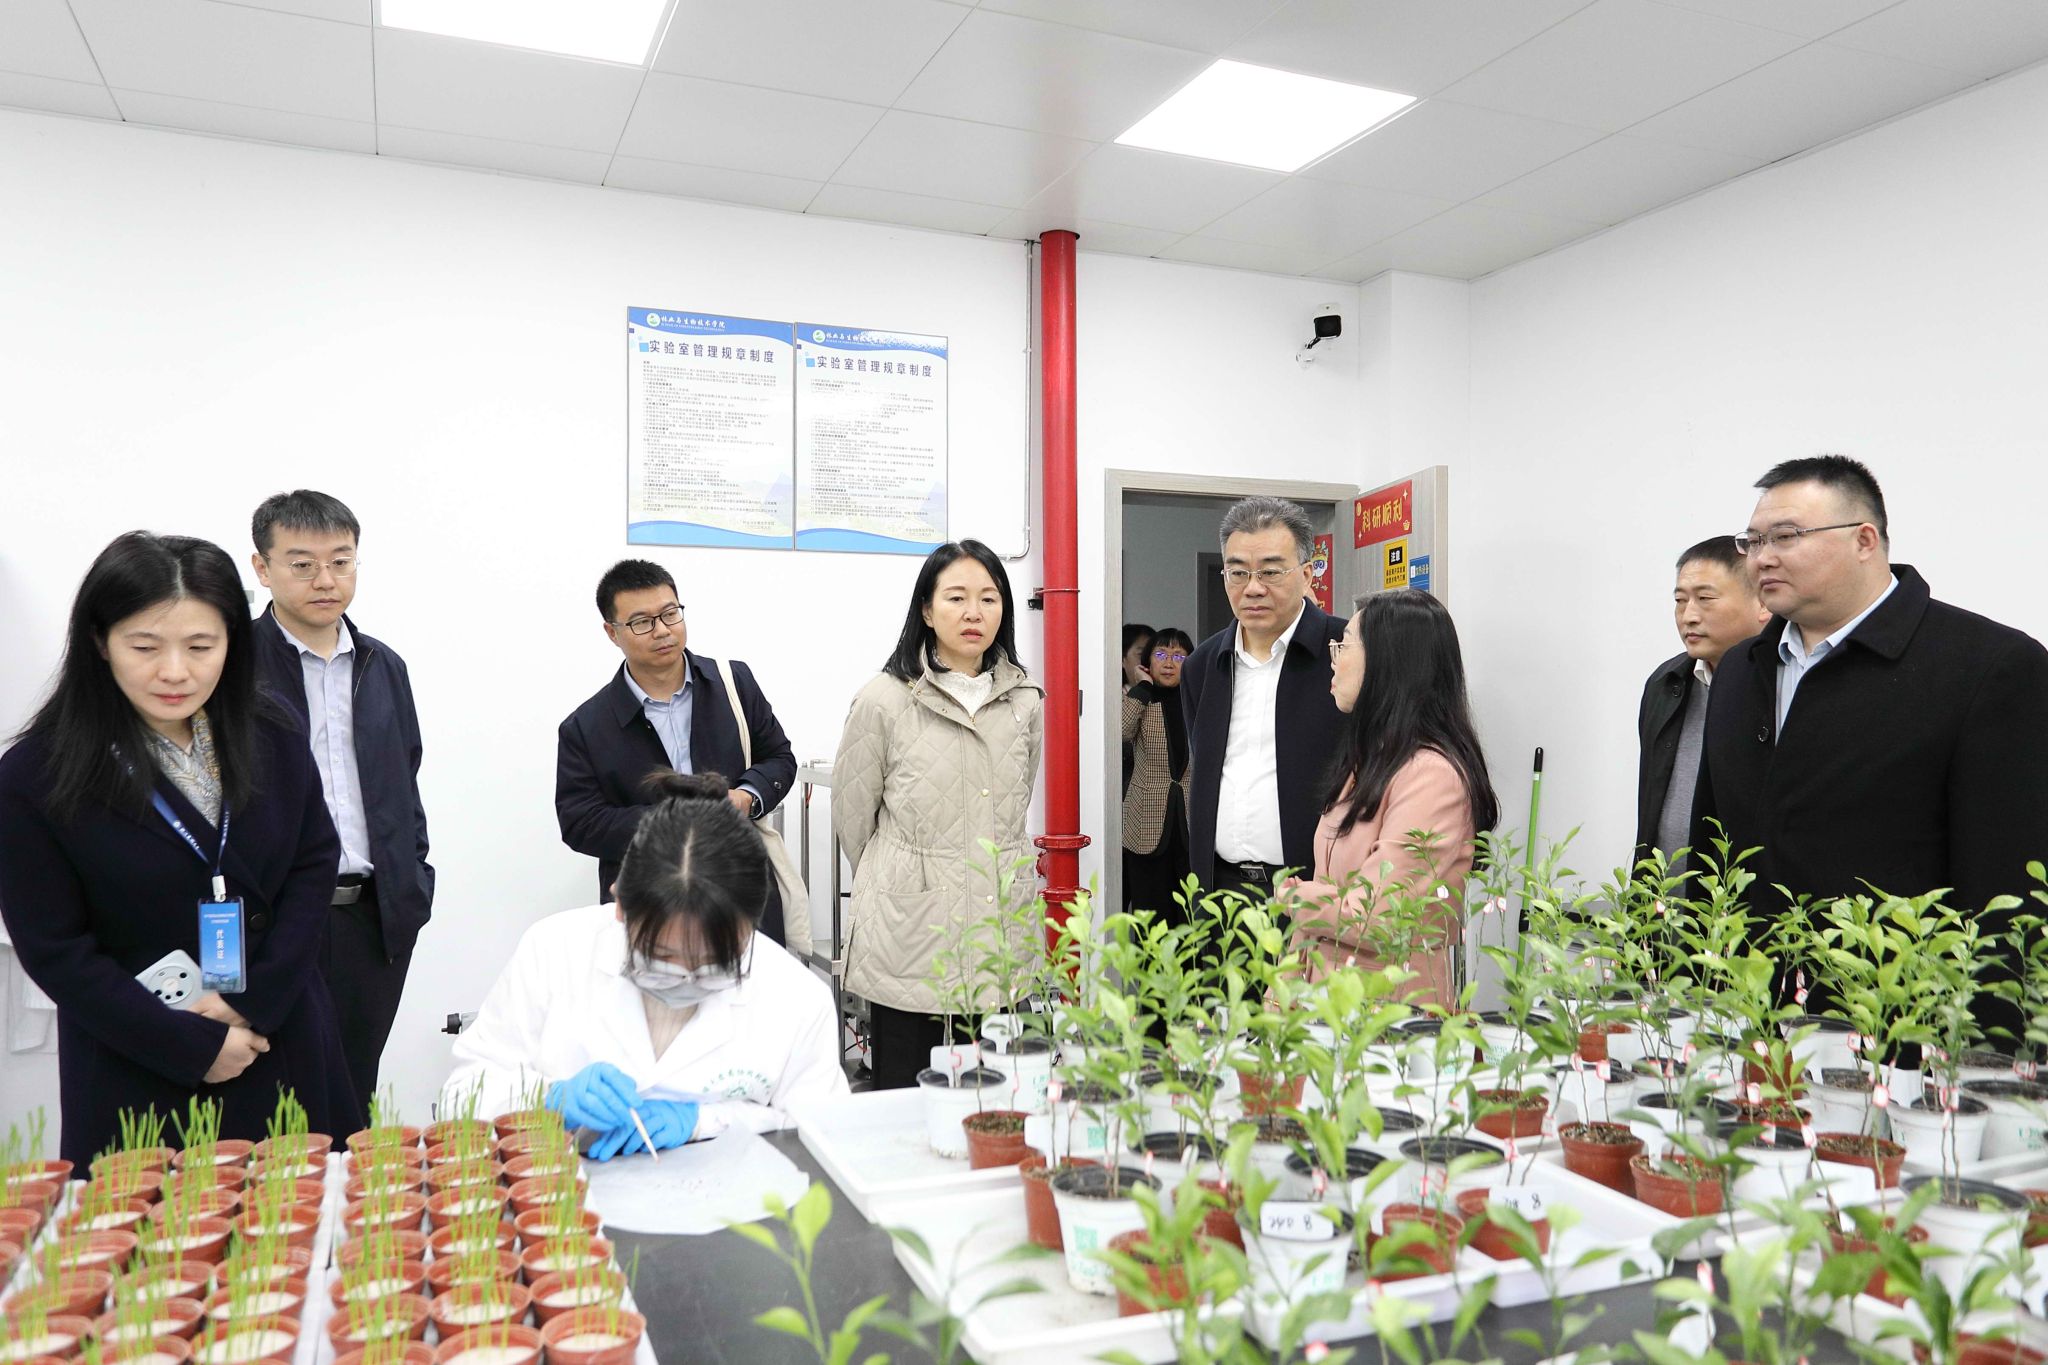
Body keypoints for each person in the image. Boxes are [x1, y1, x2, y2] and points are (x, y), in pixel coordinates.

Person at [0, 533, 361, 1163]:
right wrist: (191, 1044)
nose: (175, 671)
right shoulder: (36, 776)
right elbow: (56, 949)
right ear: (100, 642)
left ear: (232, 642)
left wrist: (251, 1004)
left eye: (200, 646)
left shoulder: (270, 728)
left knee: (313, 1212)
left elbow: (312, 863)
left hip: (280, 1033)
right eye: (144, 646)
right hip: (141, 1061)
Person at [1696, 455, 2048, 1028]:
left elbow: (2008, 883)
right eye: (1753, 541)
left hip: (1904, 1024)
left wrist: (1984, 1041)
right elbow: (1713, 842)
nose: (1762, 557)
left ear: (1864, 540)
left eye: (1786, 536)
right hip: (1752, 1011)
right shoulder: (1741, 668)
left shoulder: (1989, 666)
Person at [446, 772, 847, 1152]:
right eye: (663, 957)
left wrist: (705, 1121)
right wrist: (548, 1098)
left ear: (750, 926)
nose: (686, 978)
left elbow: (826, 1130)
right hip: (569, 1189)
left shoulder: (796, 997)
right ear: (621, 903)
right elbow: (461, 1096)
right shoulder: (553, 951)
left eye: (713, 963)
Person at [833, 540, 1043, 1090]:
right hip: (912, 929)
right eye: (956, 598)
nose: (974, 613)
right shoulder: (883, 699)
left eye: (989, 599)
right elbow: (854, 819)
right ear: (926, 610)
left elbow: (1015, 800)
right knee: (907, 1091)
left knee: (996, 1094)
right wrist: (905, 874)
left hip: (999, 918)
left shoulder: (1024, 700)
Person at [248, 490, 432, 1103]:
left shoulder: (383, 665)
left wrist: (412, 885)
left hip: (370, 920)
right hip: (274, 921)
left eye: (340, 561)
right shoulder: (234, 665)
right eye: (302, 564)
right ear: (263, 567)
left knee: (354, 1096)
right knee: (273, 1106)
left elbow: (405, 781)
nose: (325, 580)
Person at [556, 560, 797, 944]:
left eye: (670, 613)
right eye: (642, 622)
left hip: (740, 890)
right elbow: (580, 822)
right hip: (646, 902)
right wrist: (675, 822)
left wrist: (746, 796)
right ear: (612, 632)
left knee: (753, 982)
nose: (663, 630)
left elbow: (779, 758)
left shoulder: (733, 683)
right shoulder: (585, 727)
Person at [1282, 590, 1499, 1009]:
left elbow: (1381, 917)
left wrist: (1297, 898)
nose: (1333, 659)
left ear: (1388, 663)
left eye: (1345, 645)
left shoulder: (1432, 776)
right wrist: (1282, 993)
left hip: (1389, 1010)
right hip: (1325, 1004)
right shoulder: (1370, 761)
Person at [1180, 497, 1347, 905]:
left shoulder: (1346, 653)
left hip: (1319, 892)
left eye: (1271, 572)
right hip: (1220, 891)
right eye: (1238, 572)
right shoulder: (1202, 665)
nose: (1253, 588)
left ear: (1306, 574)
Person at [1634, 536, 1770, 873]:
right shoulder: (1666, 683)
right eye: (1680, 601)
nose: (1688, 616)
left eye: (1705, 599)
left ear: (1763, 604)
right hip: (1662, 896)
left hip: (1741, 898)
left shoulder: (1782, 684)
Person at [1123, 627, 1193, 920]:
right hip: (1146, 823)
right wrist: (1142, 687)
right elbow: (1121, 731)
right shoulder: (1142, 700)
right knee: (1149, 914)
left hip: (1189, 822)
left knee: (1189, 913)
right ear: (1148, 663)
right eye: (1161, 655)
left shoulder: (1197, 701)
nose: (1169, 663)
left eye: (1179, 656)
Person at [1119, 623, 1154, 799]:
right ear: (1122, 659)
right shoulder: (1112, 701)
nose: (1148, 661)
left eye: (1153, 654)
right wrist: (1143, 687)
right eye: (1141, 654)